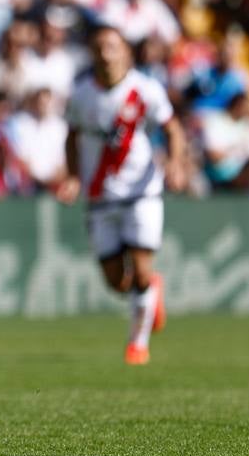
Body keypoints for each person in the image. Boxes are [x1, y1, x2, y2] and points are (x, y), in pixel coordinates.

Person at [57, 23, 189, 366]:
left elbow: (172, 128)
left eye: (112, 46)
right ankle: (149, 294)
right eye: (99, 47)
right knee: (117, 281)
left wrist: (175, 163)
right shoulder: (81, 94)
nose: (105, 53)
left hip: (142, 193)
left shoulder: (145, 90)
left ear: (125, 52)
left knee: (142, 270)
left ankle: (137, 345)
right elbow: (71, 137)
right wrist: (72, 176)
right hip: (100, 197)